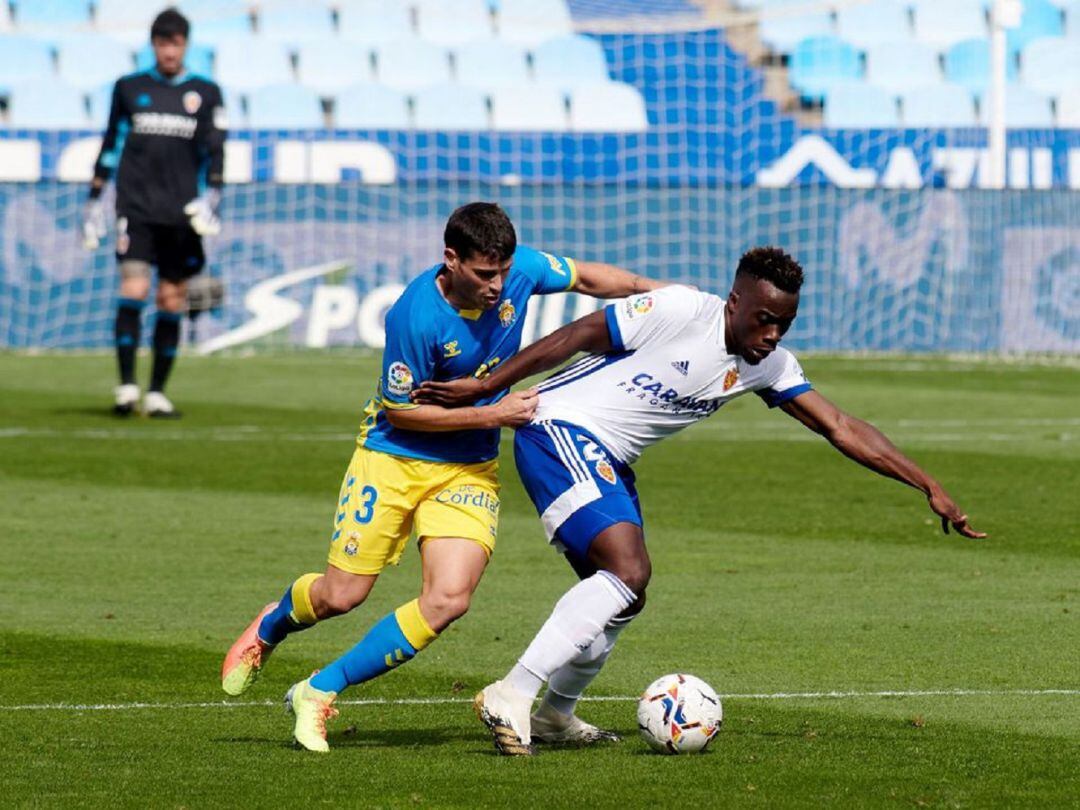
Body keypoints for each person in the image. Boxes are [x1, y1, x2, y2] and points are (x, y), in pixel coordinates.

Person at [411, 246, 986, 756]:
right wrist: (489, 387)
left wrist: (927, 483)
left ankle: (555, 716)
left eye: (783, 325)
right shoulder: (683, 310)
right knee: (628, 570)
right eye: (763, 320)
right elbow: (580, 333)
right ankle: (512, 692)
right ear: (735, 302)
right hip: (557, 426)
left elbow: (838, 425)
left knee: (623, 597)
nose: (772, 336)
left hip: (606, 456)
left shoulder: (768, 366)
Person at [220, 202, 667, 752]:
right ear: (451, 260)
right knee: (342, 595)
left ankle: (317, 690)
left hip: (467, 468)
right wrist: (493, 414)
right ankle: (271, 625)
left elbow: (592, 278)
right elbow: (403, 412)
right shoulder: (414, 316)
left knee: (449, 598)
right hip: (393, 458)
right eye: (484, 274)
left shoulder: (518, 269)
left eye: (503, 272)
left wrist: (664, 297)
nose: (498, 285)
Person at [83, 7, 225, 418]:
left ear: (185, 45)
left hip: (182, 213)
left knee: (171, 296)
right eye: (162, 43)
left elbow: (216, 147)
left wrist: (213, 195)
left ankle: (158, 392)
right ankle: (127, 387)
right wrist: (94, 198)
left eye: (175, 43)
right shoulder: (129, 88)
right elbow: (112, 142)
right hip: (136, 208)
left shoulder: (206, 92)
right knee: (134, 289)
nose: (169, 51)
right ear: (153, 45)